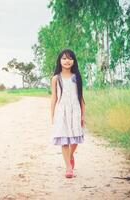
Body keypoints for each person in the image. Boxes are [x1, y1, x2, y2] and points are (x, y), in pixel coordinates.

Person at [51, 48, 86, 178]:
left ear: (74, 61)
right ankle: (68, 168)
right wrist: (52, 115)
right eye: (64, 58)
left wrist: (83, 114)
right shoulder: (56, 78)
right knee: (64, 140)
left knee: (75, 138)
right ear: (60, 61)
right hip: (62, 111)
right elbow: (54, 98)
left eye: (70, 58)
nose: (67, 61)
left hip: (75, 110)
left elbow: (81, 97)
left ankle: (70, 155)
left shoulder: (76, 77)